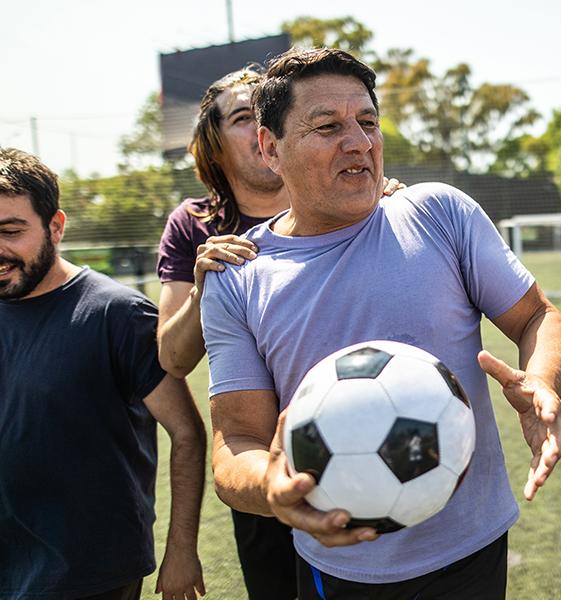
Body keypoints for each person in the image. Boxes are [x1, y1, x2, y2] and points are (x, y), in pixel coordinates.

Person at [199, 47, 561, 599]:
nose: (358, 142)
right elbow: (238, 437)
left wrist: (542, 378)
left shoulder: (439, 214)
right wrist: (268, 483)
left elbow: (537, 316)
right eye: (327, 126)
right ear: (270, 148)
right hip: (340, 569)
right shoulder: (239, 275)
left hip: (472, 550)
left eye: (367, 122)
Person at [155, 67, 404, 600]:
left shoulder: (362, 198)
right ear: (215, 146)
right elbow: (172, 359)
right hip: (264, 464)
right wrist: (204, 292)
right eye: (243, 117)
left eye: (264, 112)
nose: (257, 125)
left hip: (369, 443)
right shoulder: (195, 223)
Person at [0, 147, 207, 599]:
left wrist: (181, 550)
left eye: (11, 231)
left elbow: (187, 433)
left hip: (89, 573)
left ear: (56, 226)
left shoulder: (117, 312)